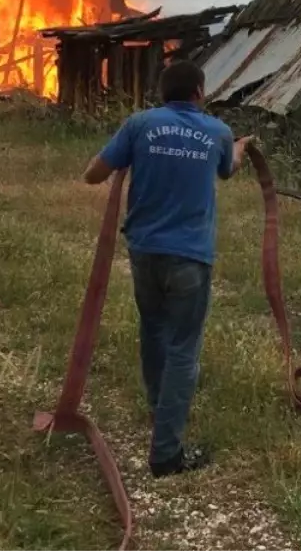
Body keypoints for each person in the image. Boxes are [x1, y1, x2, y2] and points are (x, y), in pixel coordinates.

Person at [82, 59, 254, 478]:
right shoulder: (217, 132)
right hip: (191, 257)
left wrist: (130, 156)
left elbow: (92, 174)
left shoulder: (139, 124)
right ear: (199, 91)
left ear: (162, 93)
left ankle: (159, 411)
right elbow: (227, 169)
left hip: (144, 251)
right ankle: (166, 454)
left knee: (153, 329)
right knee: (183, 348)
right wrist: (241, 150)